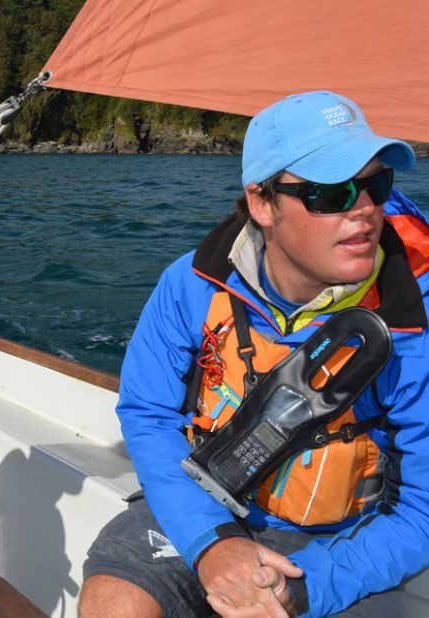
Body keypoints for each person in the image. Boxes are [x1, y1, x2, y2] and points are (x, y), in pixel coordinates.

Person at [78, 90, 429, 618]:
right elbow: (149, 416)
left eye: (377, 185)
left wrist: (302, 588)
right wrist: (212, 542)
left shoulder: (415, 321)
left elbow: (422, 510)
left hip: (346, 544)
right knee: (116, 602)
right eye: (330, 193)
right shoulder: (191, 285)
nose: (364, 210)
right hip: (201, 501)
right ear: (262, 204)